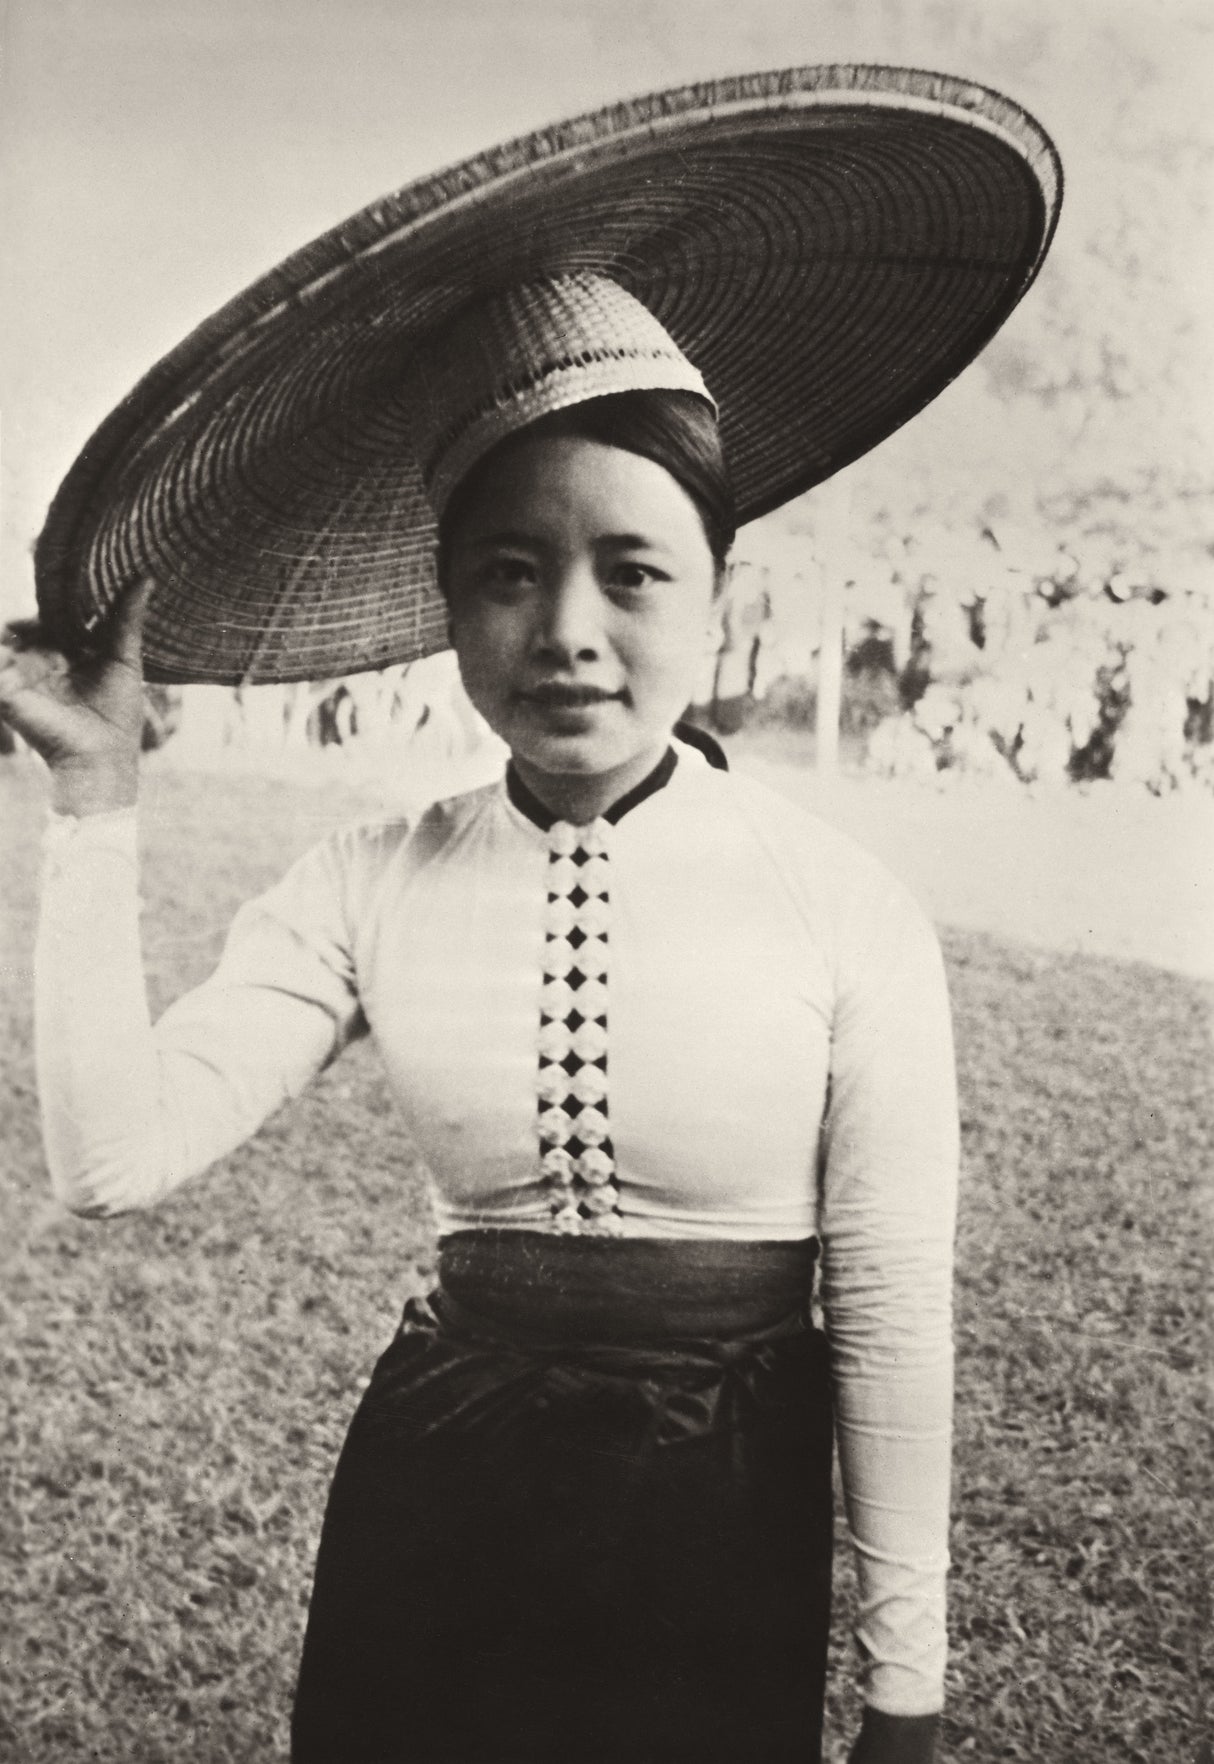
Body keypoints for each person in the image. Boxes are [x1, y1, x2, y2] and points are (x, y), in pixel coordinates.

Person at [2, 68, 1062, 1764]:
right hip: (433, 1503)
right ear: (446, 600)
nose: (568, 627)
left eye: (631, 570)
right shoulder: (366, 879)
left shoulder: (839, 910)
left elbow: (884, 1301)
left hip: (717, 1529)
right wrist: (94, 800)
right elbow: (110, 1161)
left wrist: (906, 1686)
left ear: (720, 594)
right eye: (507, 567)